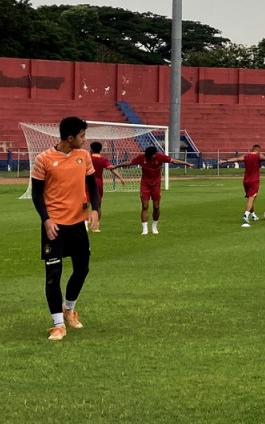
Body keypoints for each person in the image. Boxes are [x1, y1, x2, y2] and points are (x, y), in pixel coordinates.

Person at [31, 116, 100, 341]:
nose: (85, 139)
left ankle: (69, 309)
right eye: (82, 135)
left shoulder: (84, 156)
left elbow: (92, 184)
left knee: (82, 269)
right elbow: (36, 193)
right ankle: (58, 324)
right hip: (55, 226)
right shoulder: (44, 159)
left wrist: (95, 209)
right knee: (53, 275)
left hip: (78, 224)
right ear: (70, 138)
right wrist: (46, 219)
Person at [112, 146, 193, 235]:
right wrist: (116, 166)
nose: (154, 156)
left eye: (154, 155)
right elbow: (129, 163)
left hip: (156, 185)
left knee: (156, 206)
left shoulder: (160, 156)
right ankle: (145, 229)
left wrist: (187, 163)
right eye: (152, 155)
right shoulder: (141, 157)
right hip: (145, 184)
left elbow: (174, 161)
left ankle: (154, 226)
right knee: (145, 205)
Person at [222, 145, 265, 228]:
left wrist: (226, 161)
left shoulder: (246, 156)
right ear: (258, 150)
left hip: (246, 181)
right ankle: (245, 216)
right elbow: (262, 157)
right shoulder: (258, 155)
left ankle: (253, 215)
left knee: (251, 198)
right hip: (254, 181)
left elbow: (237, 159)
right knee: (252, 198)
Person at [87, 142, 124, 233]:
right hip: (98, 183)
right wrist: (120, 178)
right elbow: (111, 168)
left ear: (91, 149)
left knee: (86, 203)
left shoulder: (88, 158)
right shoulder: (104, 160)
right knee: (98, 204)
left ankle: (84, 225)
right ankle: (96, 226)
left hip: (87, 182)